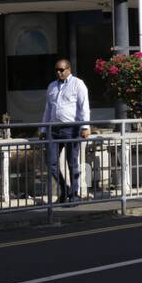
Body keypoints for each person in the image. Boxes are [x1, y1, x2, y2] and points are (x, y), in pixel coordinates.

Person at [40, 58, 90, 203]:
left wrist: (85, 127)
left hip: (71, 128)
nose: (59, 72)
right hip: (54, 129)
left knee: (72, 162)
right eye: (56, 70)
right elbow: (48, 110)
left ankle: (73, 195)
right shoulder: (52, 86)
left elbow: (84, 106)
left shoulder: (77, 84)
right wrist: (43, 128)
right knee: (51, 162)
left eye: (61, 70)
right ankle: (65, 189)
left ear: (69, 69)